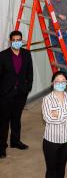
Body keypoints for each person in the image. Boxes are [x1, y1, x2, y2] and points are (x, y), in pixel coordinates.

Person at [0, 31, 33, 159]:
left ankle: (15, 141)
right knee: (3, 121)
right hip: (6, 95)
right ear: (10, 41)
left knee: (16, 119)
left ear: (22, 40)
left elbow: (30, 72)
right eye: (14, 40)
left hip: (21, 93)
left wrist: (28, 87)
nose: (16, 42)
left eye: (19, 39)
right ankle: (2, 147)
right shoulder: (3, 56)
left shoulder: (26, 54)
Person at [43, 0, 67, 77]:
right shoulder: (49, 1)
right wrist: (58, 15)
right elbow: (45, 13)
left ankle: (65, 76)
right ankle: (65, 78)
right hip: (54, 33)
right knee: (59, 57)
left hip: (66, 32)